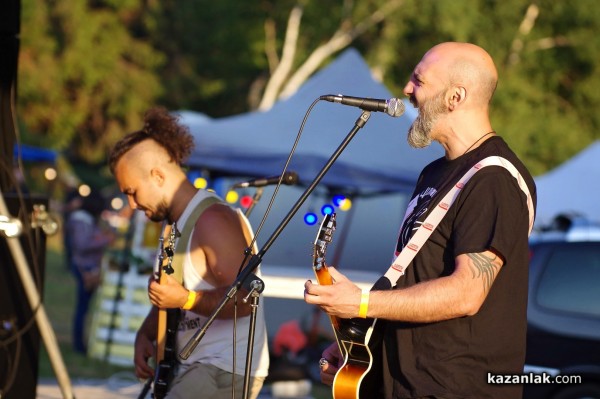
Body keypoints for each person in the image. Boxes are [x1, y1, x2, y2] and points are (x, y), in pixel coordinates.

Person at [304, 42, 537, 399]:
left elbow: (466, 293)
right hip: (405, 383)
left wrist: (363, 303)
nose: (406, 90)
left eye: (419, 80)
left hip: (457, 388)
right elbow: (415, 277)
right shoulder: (433, 173)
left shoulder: (494, 179)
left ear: (454, 97)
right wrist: (363, 338)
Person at [108, 107, 269, 399]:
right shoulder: (174, 224)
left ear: (157, 176)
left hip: (223, 369)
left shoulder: (213, 219)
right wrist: (146, 333)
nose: (131, 204)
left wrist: (186, 299)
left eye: (132, 191)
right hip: (194, 366)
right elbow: (172, 295)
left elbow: (246, 299)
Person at [65, 189, 115, 353]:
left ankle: (81, 342)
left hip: (88, 267)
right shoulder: (81, 221)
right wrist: (104, 240)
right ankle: (79, 344)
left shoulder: (83, 220)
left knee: (84, 308)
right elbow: (82, 245)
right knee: (82, 308)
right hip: (84, 268)